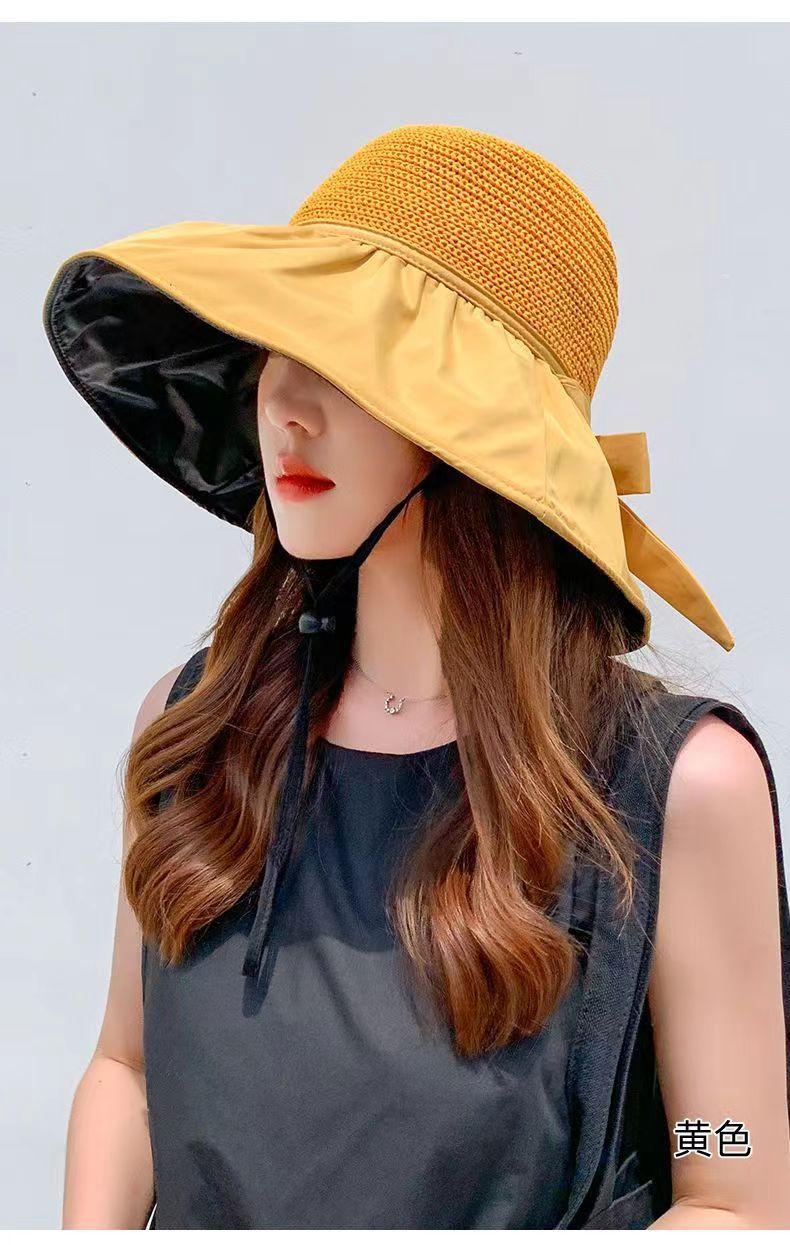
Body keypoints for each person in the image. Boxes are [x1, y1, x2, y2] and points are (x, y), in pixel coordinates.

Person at [44, 124, 790, 1229]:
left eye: (346, 365)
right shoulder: (196, 728)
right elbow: (129, 1071)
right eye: (274, 350)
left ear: (484, 435)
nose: (285, 403)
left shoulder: (677, 787)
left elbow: (729, 1182)